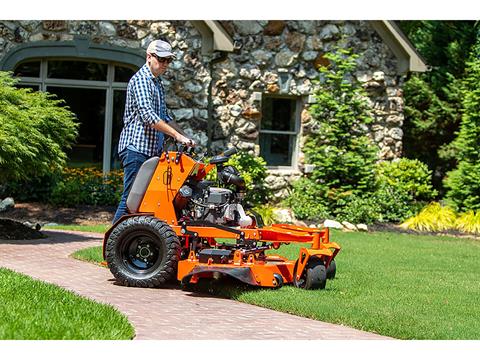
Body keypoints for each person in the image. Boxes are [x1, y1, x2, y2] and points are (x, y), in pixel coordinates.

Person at [113, 39, 195, 223]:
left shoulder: (157, 83)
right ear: (149, 57)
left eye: (169, 60)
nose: (165, 64)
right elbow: (149, 117)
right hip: (136, 150)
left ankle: (131, 242)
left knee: (145, 203)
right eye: (162, 59)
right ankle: (113, 247)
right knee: (130, 201)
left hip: (151, 152)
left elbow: (164, 116)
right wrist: (177, 136)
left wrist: (185, 137)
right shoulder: (141, 80)